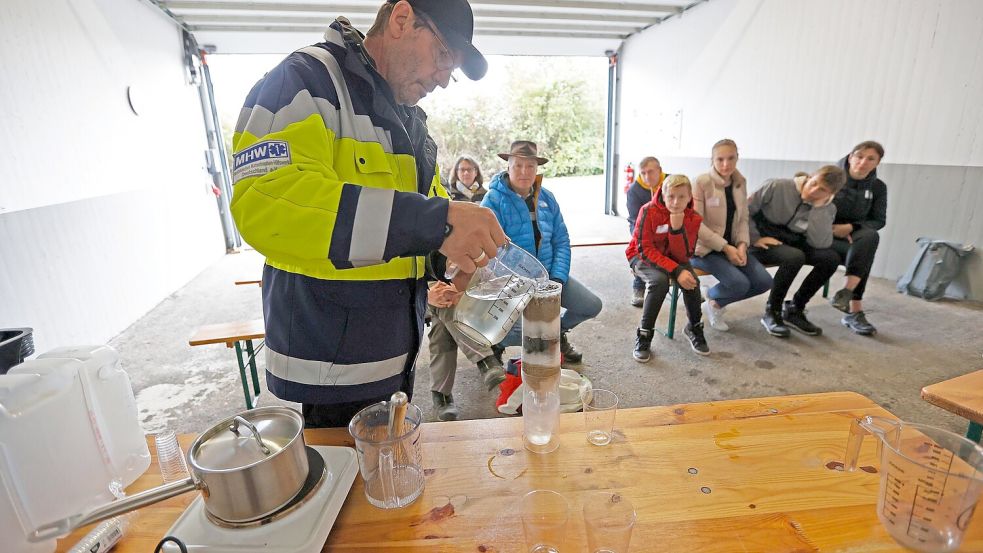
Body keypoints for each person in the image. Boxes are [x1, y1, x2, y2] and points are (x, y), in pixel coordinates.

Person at [229, 0, 507, 429]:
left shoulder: (408, 120)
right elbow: (267, 202)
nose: (444, 80)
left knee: (388, 483)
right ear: (401, 19)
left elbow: (409, 227)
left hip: (393, 359)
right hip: (332, 368)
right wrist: (436, 222)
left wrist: (447, 259)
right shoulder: (304, 81)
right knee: (351, 490)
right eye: (442, 57)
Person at [482, 140, 602, 364]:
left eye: (530, 166)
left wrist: (557, 278)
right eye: (518, 165)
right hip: (513, 284)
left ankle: (557, 334)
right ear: (508, 166)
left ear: (537, 169)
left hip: (548, 278)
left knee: (592, 305)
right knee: (522, 331)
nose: (524, 172)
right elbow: (490, 251)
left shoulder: (547, 198)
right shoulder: (493, 200)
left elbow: (561, 240)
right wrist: (519, 284)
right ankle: (498, 343)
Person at [427, 157, 504, 421]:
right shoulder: (438, 208)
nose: (467, 173)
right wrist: (430, 293)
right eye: (462, 169)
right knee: (445, 310)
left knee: (444, 317)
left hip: (476, 278)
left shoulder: (487, 199)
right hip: (435, 283)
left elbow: (488, 255)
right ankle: (485, 360)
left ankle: (441, 395)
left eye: (471, 168)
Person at [748, 166, 847, 338]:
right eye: (814, 183)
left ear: (831, 194)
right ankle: (772, 310)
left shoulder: (827, 208)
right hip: (761, 238)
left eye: (822, 190)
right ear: (809, 176)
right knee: (794, 257)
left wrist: (818, 209)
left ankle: (795, 308)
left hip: (791, 240)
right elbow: (744, 211)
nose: (814, 190)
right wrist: (755, 238)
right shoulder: (777, 186)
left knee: (830, 258)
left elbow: (820, 243)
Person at [691, 139, 772, 331]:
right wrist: (726, 248)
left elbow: (743, 218)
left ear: (737, 158)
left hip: (733, 246)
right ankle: (715, 299)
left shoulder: (740, 182)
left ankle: (713, 301)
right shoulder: (701, 182)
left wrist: (743, 245)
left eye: (731, 158)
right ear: (712, 160)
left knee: (764, 282)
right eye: (720, 159)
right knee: (739, 283)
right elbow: (696, 226)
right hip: (704, 249)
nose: (725, 164)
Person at [627, 174, 708, 360]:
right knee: (659, 281)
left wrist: (676, 229)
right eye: (671, 196)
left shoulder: (694, 218)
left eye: (681, 197)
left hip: (674, 258)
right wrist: (677, 270)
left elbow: (684, 255)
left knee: (692, 282)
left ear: (690, 197)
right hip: (642, 256)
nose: (676, 202)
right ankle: (644, 334)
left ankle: (694, 327)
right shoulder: (648, 210)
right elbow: (644, 248)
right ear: (663, 194)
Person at [828, 141, 888, 336]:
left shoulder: (878, 187)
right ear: (850, 156)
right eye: (859, 156)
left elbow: (878, 220)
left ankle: (847, 295)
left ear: (877, 163)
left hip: (855, 235)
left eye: (871, 159)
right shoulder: (831, 177)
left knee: (870, 239)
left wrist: (852, 227)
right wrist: (829, 228)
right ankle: (855, 308)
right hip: (825, 232)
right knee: (864, 253)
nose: (863, 162)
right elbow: (812, 205)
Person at [626, 157, 665, 307]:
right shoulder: (634, 191)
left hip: (665, 224)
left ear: (660, 171)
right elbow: (636, 220)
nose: (647, 177)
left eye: (651, 172)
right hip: (639, 225)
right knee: (641, 249)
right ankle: (638, 287)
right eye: (643, 173)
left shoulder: (669, 182)